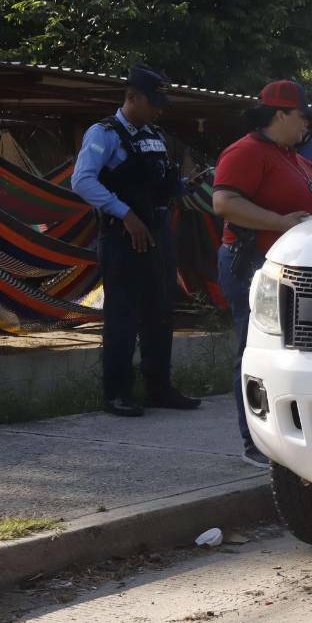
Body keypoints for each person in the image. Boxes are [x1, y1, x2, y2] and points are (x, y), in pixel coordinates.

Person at [213, 80, 312, 467]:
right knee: (254, 350)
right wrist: (281, 223)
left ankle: (291, 434)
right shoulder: (246, 151)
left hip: (296, 270)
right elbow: (224, 202)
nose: (307, 125)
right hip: (254, 264)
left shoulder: (295, 156)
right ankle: (254, 441)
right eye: (302, 116)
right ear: (279, 114)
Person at [71, 63, 200, 417]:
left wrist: (186, 185)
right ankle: (117, 394)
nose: (159, 109)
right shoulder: (104, 133)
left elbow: (156, 184)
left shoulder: (154, 134)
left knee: (160, 313)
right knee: (122, 317)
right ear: (132, 97)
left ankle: (159, 388)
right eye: (153, 102)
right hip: (122, 237)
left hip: (157, 234)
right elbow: (82, 181)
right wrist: (125, 214)